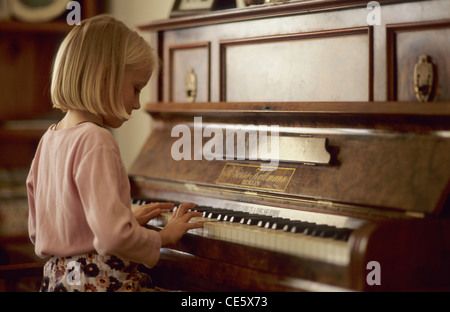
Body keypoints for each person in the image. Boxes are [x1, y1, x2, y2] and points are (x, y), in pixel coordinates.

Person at [26, 15, 203, 292]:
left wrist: (126, 219)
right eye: (136, 89)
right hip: (99, 282)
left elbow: (42, 231)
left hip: (59, 281)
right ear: (106, 77)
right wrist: (163, 237)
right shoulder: (97, 139)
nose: (137, 103)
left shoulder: (49, 140)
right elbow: (111, 238)